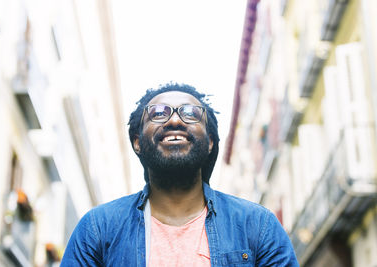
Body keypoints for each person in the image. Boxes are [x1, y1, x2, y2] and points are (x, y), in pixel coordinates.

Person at [60, 83, 299, 266]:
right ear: (137, 142)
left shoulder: (257, 226)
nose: (175, 120)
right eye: (158, 113)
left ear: (210, 143)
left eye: (191, 113)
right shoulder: (98, 229)